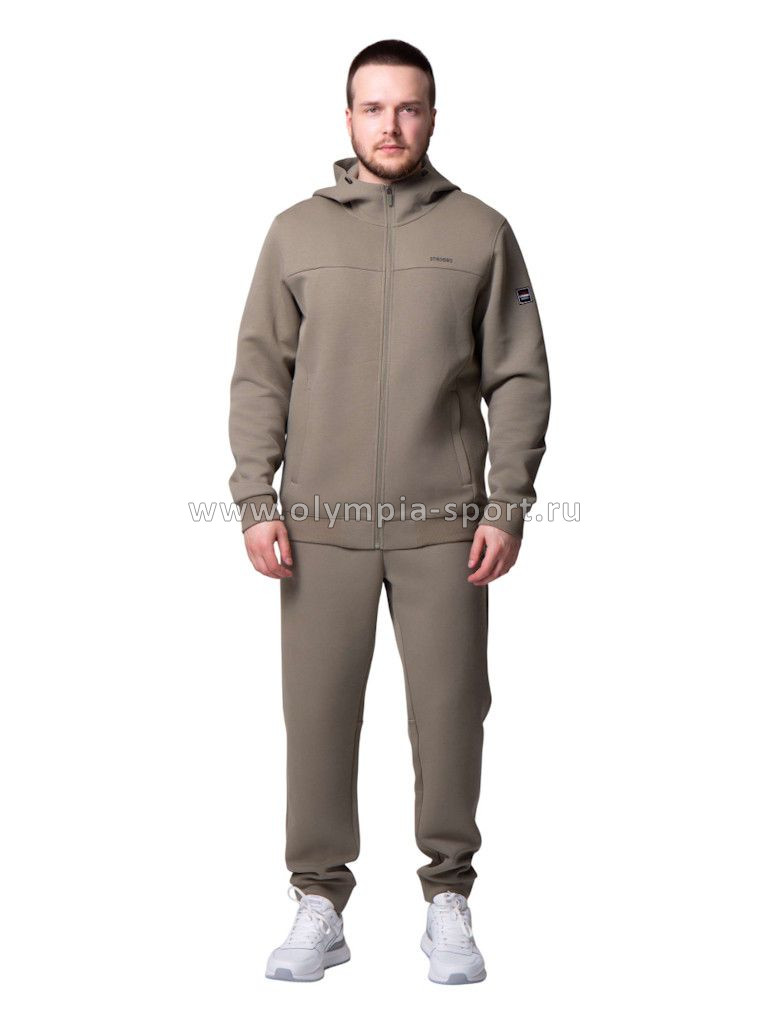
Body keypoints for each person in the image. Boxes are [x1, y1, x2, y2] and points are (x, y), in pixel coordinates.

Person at [227, 39, 551, 985]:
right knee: (317, 716)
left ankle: (448, 895)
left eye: (409, 108)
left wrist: (508, 503)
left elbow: (520, 375)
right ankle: (319, 903)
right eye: (374, 108)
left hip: (446, 524)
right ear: (348, 118)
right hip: (317, 525)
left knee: (450, 714)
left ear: (433, 116)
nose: (392, 125)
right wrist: (254, 496)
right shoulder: (295, 233)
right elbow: (260, 372)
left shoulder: (482, 230)